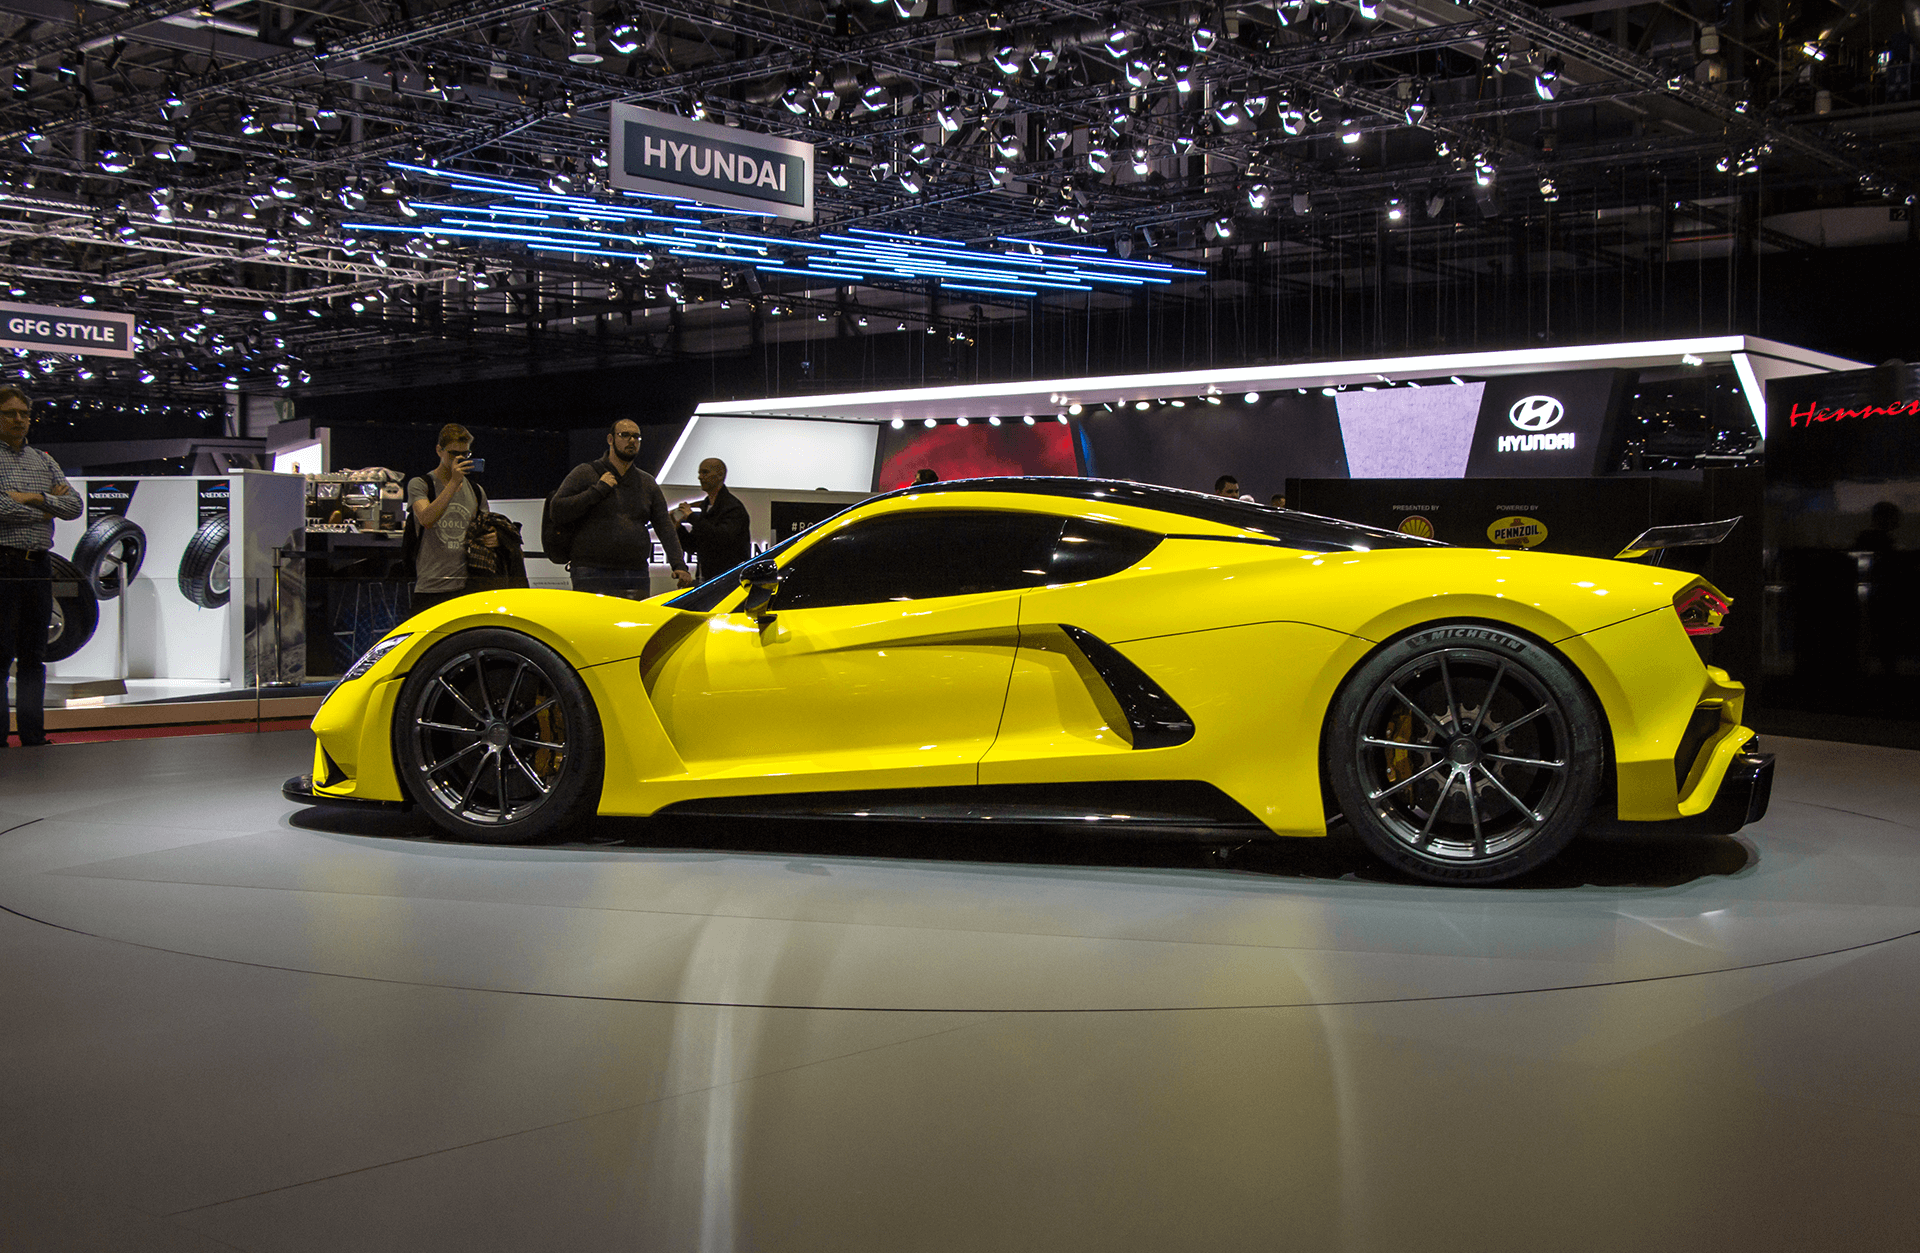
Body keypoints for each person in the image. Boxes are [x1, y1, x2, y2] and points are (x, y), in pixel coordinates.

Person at [0, 386, 81, 747]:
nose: (19, 419)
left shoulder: (43, 460)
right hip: (2, 564)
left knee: (34, 655)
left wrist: (32, 498)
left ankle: (33, 735)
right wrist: (49, 506)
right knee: (0, 654)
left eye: (24, 413)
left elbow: (74, 506)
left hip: (38, 565)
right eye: (10, 413)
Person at [551, 418, 693, 596]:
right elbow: (557, 510)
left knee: (635, 623)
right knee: (593, 623)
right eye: (625, 435)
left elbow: (664, 525)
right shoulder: (586, 472)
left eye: (636, 437)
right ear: (610, 439)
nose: (632, 441)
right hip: (591, 571)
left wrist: (679, 564)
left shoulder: (647, 482)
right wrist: (597, 490)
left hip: (635, 571)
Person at [407, 423, 496, 613]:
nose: (460, 458)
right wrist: (454, 483)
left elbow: (484, 527)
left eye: (465, 454)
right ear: (439, 450)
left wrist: (494, 537)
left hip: (467, 585)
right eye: (454, 453)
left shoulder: (476, 490)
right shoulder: (421, 484)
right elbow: (426, 518)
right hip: (431, 585)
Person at [671, 457, 751, 583]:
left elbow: (721, 538)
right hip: (706, 580)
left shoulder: (733, 508)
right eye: (699, 473)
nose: (700, 477)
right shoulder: (706, 507)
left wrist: (692, 517)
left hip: (729, 581)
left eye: (705, 472)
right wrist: (678, 528)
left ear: (720, 475)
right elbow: (694, 546)